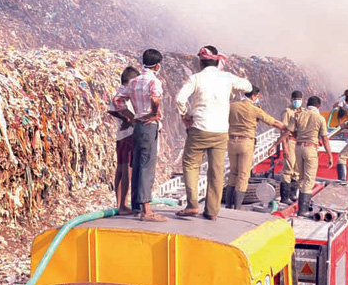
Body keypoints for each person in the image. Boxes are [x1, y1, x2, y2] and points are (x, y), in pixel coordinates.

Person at [175, 45, 252, 221]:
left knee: (190, 165)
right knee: (216, 171)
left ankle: (192, 205)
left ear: (200, 62)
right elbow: (247, 87)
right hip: (220, 132)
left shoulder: (195, 78)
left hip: (199, 129)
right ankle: (212, 211)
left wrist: (185, 115)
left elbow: (180, 98)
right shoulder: (226, 77)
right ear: (216, 61)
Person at [112, 49, 167, 222]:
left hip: (137, 127)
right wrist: (154, 113)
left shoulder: (133, 82)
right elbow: (156, 99)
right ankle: (146, 210)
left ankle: (136, 206)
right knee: (146, 165)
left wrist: (131, 116)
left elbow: (118, 100)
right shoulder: (154, 81)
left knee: (136, 164)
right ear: (157, 65)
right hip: (148, 126)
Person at [225, 87, 286, 210]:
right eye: (257, 96)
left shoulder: (232, 106)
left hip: (231, 142)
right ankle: (237, 208)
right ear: (254, 96)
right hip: (246, 143)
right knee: (243, 175)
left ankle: (227, 205)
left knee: (233, 173)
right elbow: (273, 122)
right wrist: (288, 129)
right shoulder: (254, 110)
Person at [285, 96, 334, 216]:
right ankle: (303, 210)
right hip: (310, 149)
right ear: (318, 106)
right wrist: (330, 156)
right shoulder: (320, 118)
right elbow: (325, 139)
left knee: (301, 177)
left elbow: (289, 131)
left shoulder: (298, 115)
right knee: (309, 180)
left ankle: (301, 206)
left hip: (298, 148)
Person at [108, 66, 139, 214]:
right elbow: (115, 108)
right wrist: (129, 119)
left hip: (120, 135)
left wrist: (123, 118)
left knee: (120, 168)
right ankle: (123, 205)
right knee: (127, 169)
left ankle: (119, 203)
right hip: (129, 134)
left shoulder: (120, 91)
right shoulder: (126, 92)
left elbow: (111, 109)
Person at [279, 90, 304, 203]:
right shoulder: (287, 112)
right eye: (295, 100)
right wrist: (284, 147)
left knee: (297, 169)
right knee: (288, 167)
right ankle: (285, 197)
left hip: (299, 142)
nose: (297, 102)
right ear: (291, 100)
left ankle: (293, 194)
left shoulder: (304, 112)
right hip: (290, 140)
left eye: (299, 100)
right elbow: (283, 130)